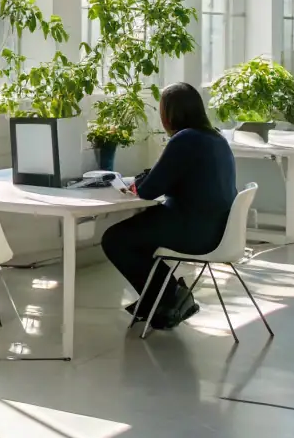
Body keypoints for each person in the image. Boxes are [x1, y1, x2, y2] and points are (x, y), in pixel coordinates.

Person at [97, 83, 237, 331]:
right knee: (140, 233)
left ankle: (170, 296)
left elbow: (149, 190)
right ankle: (165, 299)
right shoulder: (216, 137)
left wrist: (138, 183)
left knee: (115, 239)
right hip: (219, 229)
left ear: (170, 113)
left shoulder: (185, 139)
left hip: (194, 231)